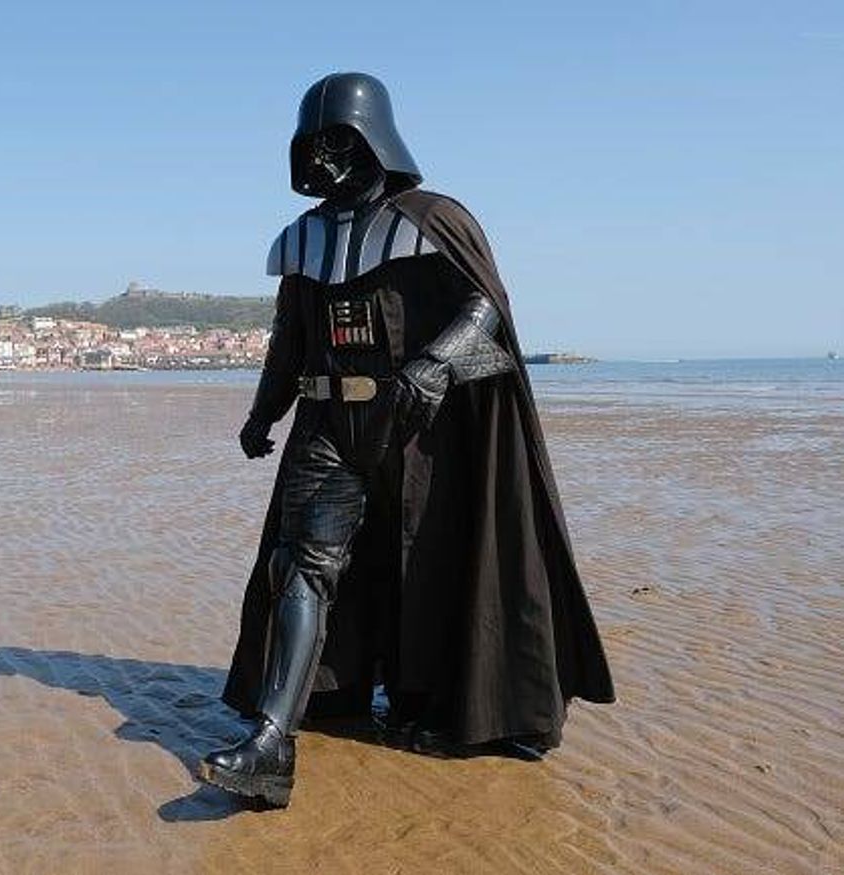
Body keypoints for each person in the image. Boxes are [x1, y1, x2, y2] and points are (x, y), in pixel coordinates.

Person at [197, 72, 616, 809]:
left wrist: (436, 359)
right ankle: (272, 739)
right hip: (329, 427)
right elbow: (288, 341)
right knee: (302, 569)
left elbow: (486, 303)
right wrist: (264, 414)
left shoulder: (433, 218)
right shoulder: (302, 241)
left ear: (371, 139)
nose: (322, 157)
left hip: (420, 430)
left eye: (337, 140)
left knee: (433, 561)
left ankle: (462, 704)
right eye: (312, 143)